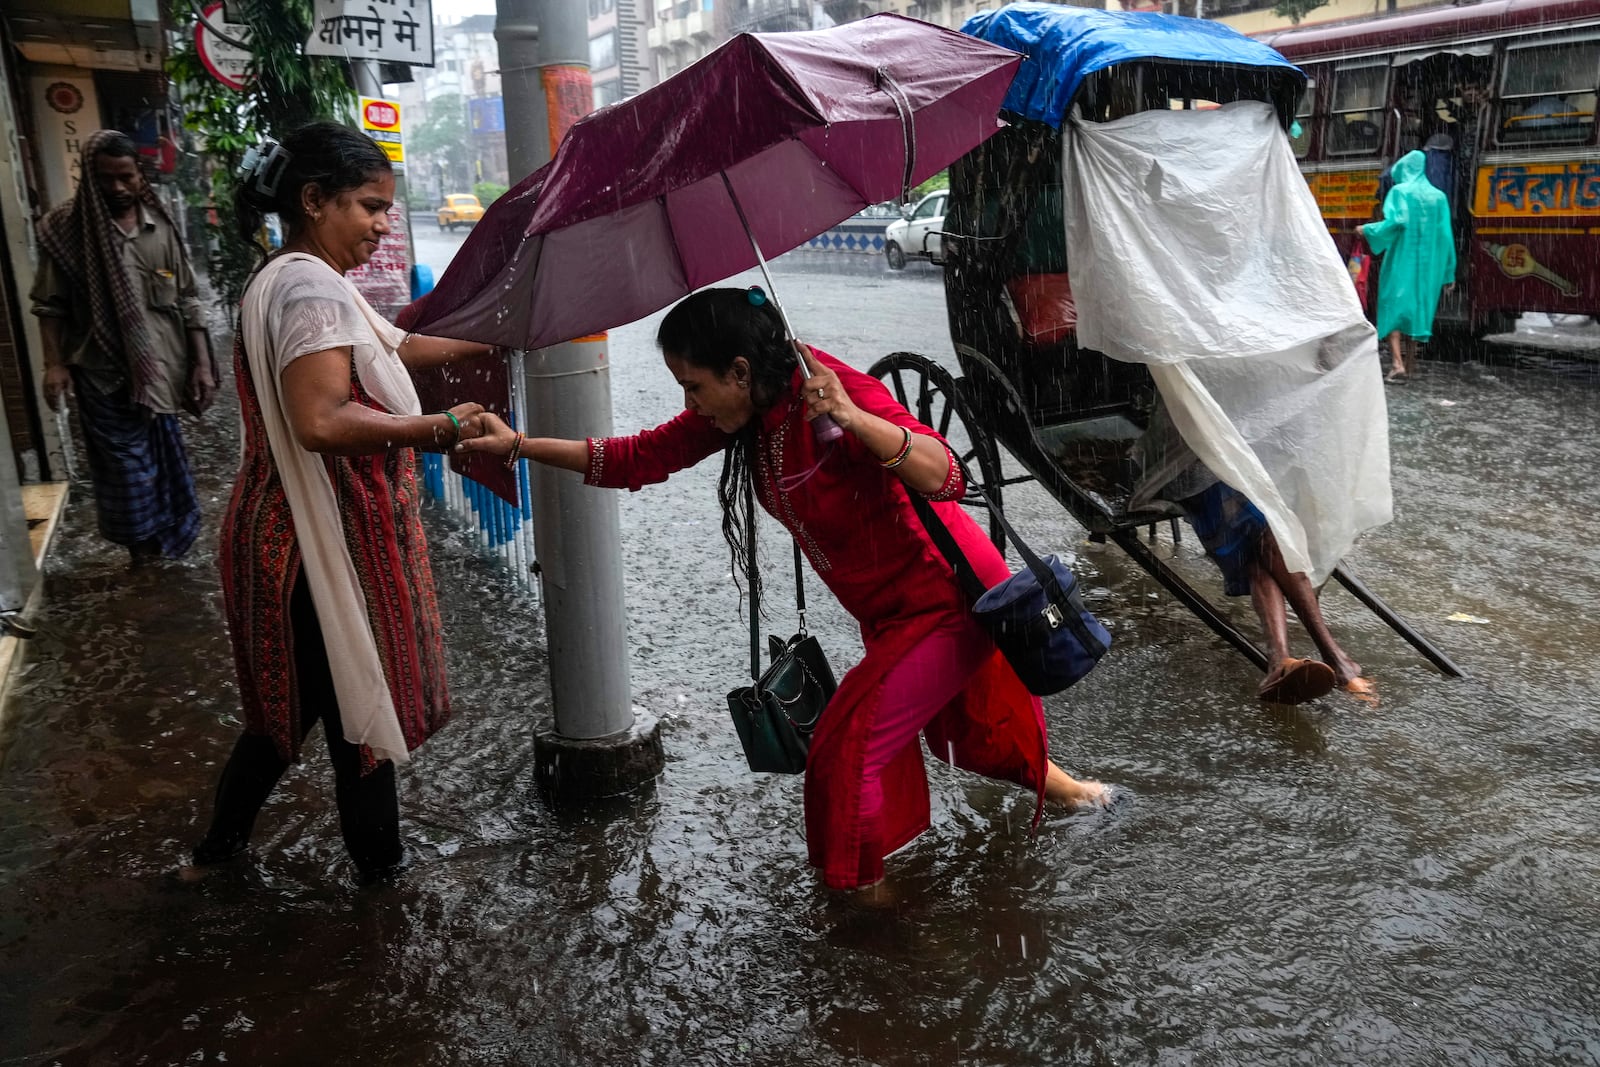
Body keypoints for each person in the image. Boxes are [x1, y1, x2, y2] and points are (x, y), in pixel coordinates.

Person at [460, 287, 1112, 896]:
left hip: (947, 600)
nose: (690, 403)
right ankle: (1085, 799)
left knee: (843, 750)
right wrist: (518, 445)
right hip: (888, 613)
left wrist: (857, 419)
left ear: (740, 371)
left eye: (694, 385)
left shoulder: (825, 392)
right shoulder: (741, 415)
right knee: (975, 739)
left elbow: (945, 474)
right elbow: (637, 458)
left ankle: (866, 913)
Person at [191, 122, 496, 884]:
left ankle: (217, 855)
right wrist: (439, 427)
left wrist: (493, 338)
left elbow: (393, 347)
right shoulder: (309, 288)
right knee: (358, 715)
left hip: (282, 533)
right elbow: (321, 419)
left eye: (388, 209)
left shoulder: (295, 277)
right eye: (369, 206)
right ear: (313, 200)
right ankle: (381, 883)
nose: (384, 225)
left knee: (293, 716)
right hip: (313, 546)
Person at [31, 130, 219, 567]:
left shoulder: (161, 226)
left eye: (125, 177)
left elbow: (189, 299)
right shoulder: (65, 231)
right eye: (105, 178)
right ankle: (144, 559)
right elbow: (49, 306)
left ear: (140, 176)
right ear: (89, 179)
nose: (117, 188)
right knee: (128, 473)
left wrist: (202, 365)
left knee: (167, 468)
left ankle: (166, 551)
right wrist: (53, 364)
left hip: (163, 374)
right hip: (103, 375)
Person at [1132, 404, 1374, 706]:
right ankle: (1335, 657)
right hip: (1186, 461)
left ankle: (1280, 661)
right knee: (1266, 526)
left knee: (1260, 535)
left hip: (1240, 452)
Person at [1359, 149, 1455, 382]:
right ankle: (1411, 363)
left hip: (1401, 260)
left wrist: (1368, 230)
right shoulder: (1439, 197)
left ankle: (1396, 363)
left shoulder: (1400, 192)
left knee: (1393, 306)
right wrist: (1449, 272)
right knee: (1417, 311)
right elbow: (1445, 235)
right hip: (1428, 267)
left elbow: (1397, 222)